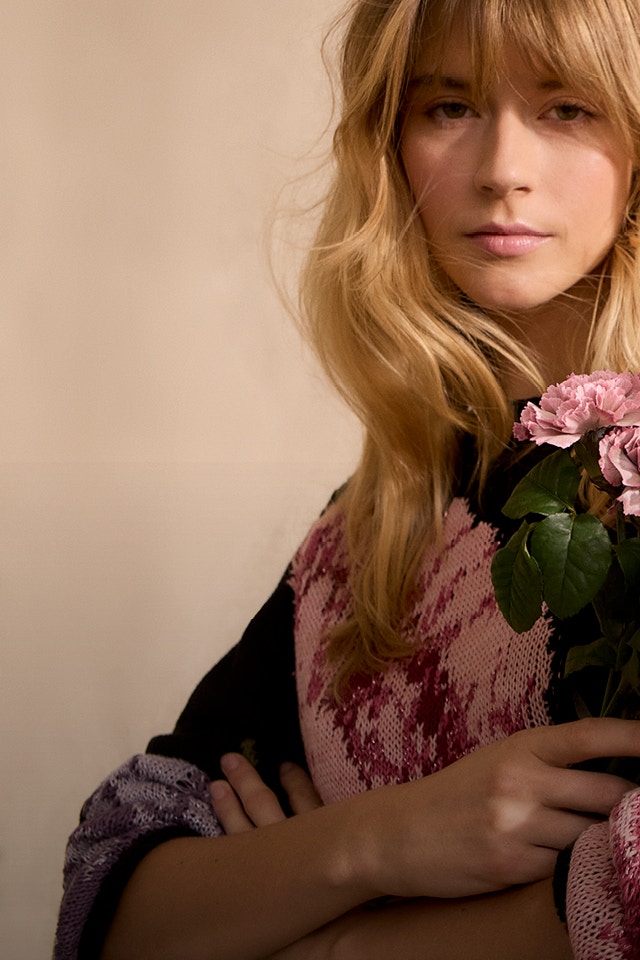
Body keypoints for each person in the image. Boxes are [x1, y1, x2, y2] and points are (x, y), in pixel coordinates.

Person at [54, 0, 640, 957]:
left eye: (568, 108)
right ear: (389, 147)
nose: (502, 171)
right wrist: (378, 844)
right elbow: (112, 901)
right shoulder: (373, 527)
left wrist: (334, 938)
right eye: (449, 107)